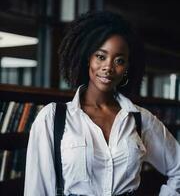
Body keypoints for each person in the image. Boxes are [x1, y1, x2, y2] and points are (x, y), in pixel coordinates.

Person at [24, 11, 180, 196]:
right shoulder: (53, 118)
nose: (108, 67)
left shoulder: (140, 119)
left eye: (119, 60)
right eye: (101, 56)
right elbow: (36, 190)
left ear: (127, 68)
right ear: (88, 58)